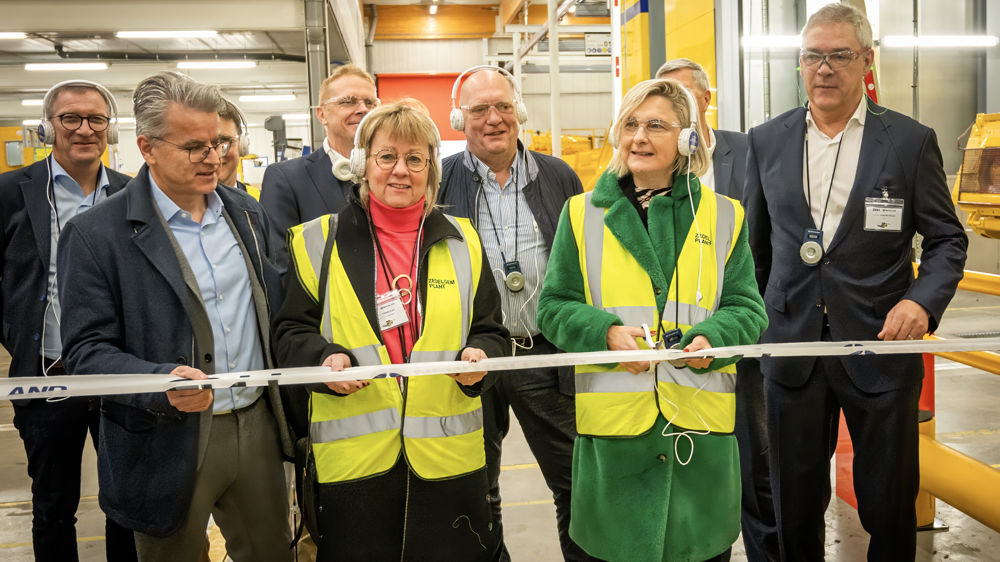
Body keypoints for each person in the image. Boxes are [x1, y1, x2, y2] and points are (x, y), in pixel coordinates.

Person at [742, 4, 968, 560]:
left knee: (889, 505)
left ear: (865, 60)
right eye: (813, 55)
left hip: (881, 351)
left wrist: (921, 301)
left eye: (839, 55)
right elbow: (755, 248)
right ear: (800, 63)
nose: (824, 68)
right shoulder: (766, 140)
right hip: (792, 350)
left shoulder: (910, 142)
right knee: (792, 505)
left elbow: (946, 240)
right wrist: (762, 322)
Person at [57, 71, 294, 562]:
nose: (215, 158)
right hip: (165, 437)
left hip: (255, 425)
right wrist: (158, 380)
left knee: (272, 551)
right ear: (147, 147)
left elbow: (281, 305)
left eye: (221, 142)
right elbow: (84, 352)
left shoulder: (247, 216)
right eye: (195, 147)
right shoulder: (96, 236)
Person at [538, 78, 767, 562]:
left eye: (656, 125)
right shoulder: (581, 214)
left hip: (699, 429)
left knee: (699, 551)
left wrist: (712, 336)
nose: (638, 137)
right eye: (631, 124)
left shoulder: (726, 215)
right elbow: (553, 307)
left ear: (687, 138)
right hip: (615, 434)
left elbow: (748, 309)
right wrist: (605, 333)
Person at [273, 101, 509, 561]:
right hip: (356, 464)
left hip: (448, 460)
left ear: (431, 169)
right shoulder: (318, 241)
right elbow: (289, 331)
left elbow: (491, 332)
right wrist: (322, 359)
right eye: (387, 157)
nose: (401, 171)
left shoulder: (464, 241)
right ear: (363, 164)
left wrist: (481, 359)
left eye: (415, 159)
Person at [438, 65, 587, 560]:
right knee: (477, 490)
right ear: (461, 119)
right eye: (480, 109)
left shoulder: (559, 176)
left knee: (575, 483)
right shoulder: (441, 182)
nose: (494, 119)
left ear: (519, 111)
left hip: (546, 353)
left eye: (503, 106)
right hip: (473, 360)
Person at [0, 79, 137, 562]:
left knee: (125, 503)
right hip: (46, 375)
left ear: (110, 129)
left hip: (119, 374)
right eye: (70, 119)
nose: (84, 129)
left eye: (96, 119)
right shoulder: (11, 193)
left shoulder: (133, 194)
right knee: (53, 504)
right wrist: (19, 334)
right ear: (48, 127)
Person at [657, 58, 778, 561]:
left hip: (738, 334)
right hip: (672, 350)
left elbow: (772, 234)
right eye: (667, 99)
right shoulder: (652, 164)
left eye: (686, 96)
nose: (678, 108)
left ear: (707, 99)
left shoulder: (749, 150)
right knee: (689, 462)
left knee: (758, 465)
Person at [260, 63, 378, 268]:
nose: (362, 109)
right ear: (322, 114)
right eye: (348, 102)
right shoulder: (286, 179)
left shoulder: (392, 174)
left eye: (370, 102)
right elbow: (279, 265)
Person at [218, 98, 259, 198]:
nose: (216, 153)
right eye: (202, 144)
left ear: (242, 144)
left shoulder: (259, 200)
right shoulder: (181, 208)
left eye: (224, 140)